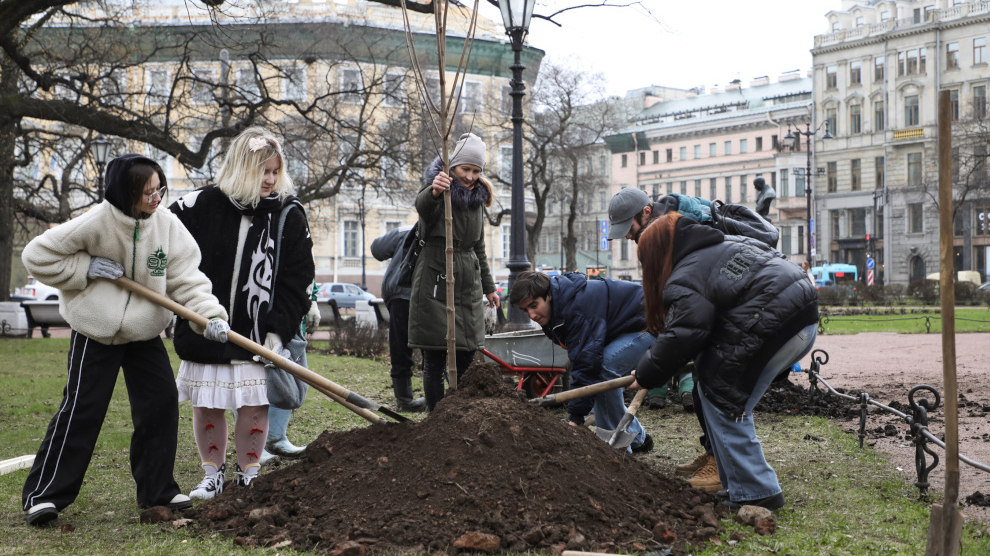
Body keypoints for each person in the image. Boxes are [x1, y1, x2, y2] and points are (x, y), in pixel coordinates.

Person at [20, 154, 230, 526]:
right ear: (125, 192)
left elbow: (187, 280)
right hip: (96, 329)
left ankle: (157, 491)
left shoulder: (167, 226)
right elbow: (37, 255)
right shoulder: (97, 221)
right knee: (83, 409)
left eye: (159, 189)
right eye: (147, 192)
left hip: (143, 330)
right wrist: (84, 268)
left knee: (161, 403)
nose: (156, 198)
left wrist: (210, 317)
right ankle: (44, 495)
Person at [631, 212, 818, 511]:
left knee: (724, 398)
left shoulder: (686, 272)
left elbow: (684, 333)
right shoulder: (724, 244)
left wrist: (646, 373)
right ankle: (738, 486)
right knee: (709, 391)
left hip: (774, 322)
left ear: (657, 255)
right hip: (802, 317)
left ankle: (758, 491)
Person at [170, 127, 315, 499]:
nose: (270, 180)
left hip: (257, 334)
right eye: (262, 171)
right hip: (204, 329)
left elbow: (298, 278)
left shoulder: (288, 213)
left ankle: (248, 474)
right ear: (240, 167)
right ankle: (212, 475)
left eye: (275, 171)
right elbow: (163, 247)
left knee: (254, 405)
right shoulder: (196, 206)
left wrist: (277, 332)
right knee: (208, 404)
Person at [607, 186, 780, 491]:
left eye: (630, 229)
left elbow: (697, 288)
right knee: (703, 384)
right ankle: (714, 453)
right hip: (716, 309)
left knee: (712, 386)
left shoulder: (676, 228)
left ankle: (720, 463)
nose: (629, 237)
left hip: (737, 311)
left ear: (646, 212)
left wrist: (662, 357)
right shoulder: (665, 227)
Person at [510, 271, 654, 454]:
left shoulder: (574, 309)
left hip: (651, 323)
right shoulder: (559, 306)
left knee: (602, 370)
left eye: (534, 305)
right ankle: (637, 439)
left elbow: (587, 363)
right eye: (525, 310)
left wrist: (576, 417)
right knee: (598, 374)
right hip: (628, 327)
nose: (531, 315)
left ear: (549, 294)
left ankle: (616, 449)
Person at [408, 133, 499, 411]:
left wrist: (489, 287)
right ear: (452, 166)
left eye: (476, 171)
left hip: (468, 284)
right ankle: (436, 417)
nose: (470, 176)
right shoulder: (438, 190)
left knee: (467, 356)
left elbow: (478, 247)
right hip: (436, 279)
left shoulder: (477, 200)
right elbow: (423, 206)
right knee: (435, 358)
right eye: (464, 169)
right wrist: (435, 192)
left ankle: (460, 416)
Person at [259, 283, 321, 466]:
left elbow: (304, 270)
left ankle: (276, 439)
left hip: (290, 306)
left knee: (287, 375)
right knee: (254, 376)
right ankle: (254, 444)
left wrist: (312, 300)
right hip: (260, 302)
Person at [371, 225, 427, 412]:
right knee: (432, 348)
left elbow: (377, 249)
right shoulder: (446, 229)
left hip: (399, 292)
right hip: (427, 294)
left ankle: (404, 399)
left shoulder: (407, 229)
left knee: (400, 348)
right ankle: (434, 397)